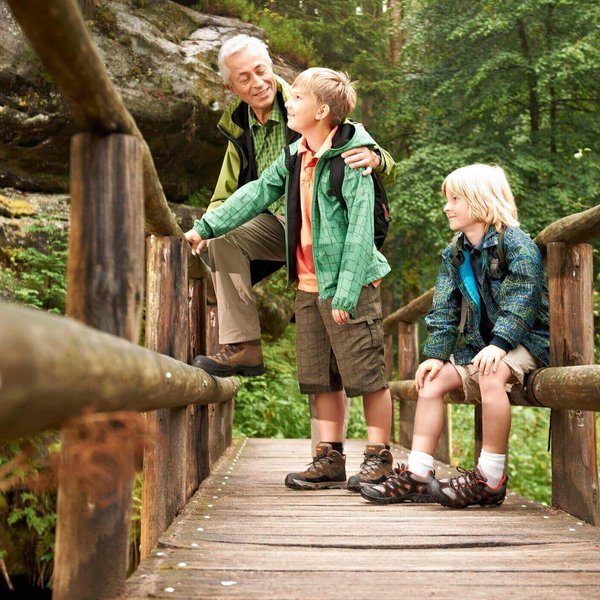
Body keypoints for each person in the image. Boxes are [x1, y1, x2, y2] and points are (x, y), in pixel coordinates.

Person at [186, 67, 394, 491]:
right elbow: (257, 192)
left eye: (296, 98)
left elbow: (358, 234)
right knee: (321, 377)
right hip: (308, 284)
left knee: (367, 375)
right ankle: (328, 456)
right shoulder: (296, 155)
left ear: (321, 110)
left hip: (349, 286)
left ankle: (379, 456)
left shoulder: (353, 159)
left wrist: (348, 292)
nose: (288, 103)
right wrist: (205, 227)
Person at [190, 34, 395, 377]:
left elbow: (369, 149)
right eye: (244, 78)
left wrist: (376, 158)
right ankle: (244, 347)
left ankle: (338, 431)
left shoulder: (305, 99)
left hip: (328, 229)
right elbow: (235, 191)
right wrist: (203, 229)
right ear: (231, 88)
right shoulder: (240, 125)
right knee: (222, 239)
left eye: (260, 70)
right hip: (280, 226)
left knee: (341, 351)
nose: (257, 83)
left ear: (270, 66)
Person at [361, 163, 550, 507]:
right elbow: (444, 308)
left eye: (454, 199)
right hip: (485, 348)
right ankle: (418, 474)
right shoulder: (455, 252)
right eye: (447, 199)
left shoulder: (517, 245)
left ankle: (490, 479)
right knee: (431, 382)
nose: (446, 206)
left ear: (480, 201)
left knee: (492, 374)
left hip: (525, 341)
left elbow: (524, 298)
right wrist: (434, 354)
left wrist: (500, 344)